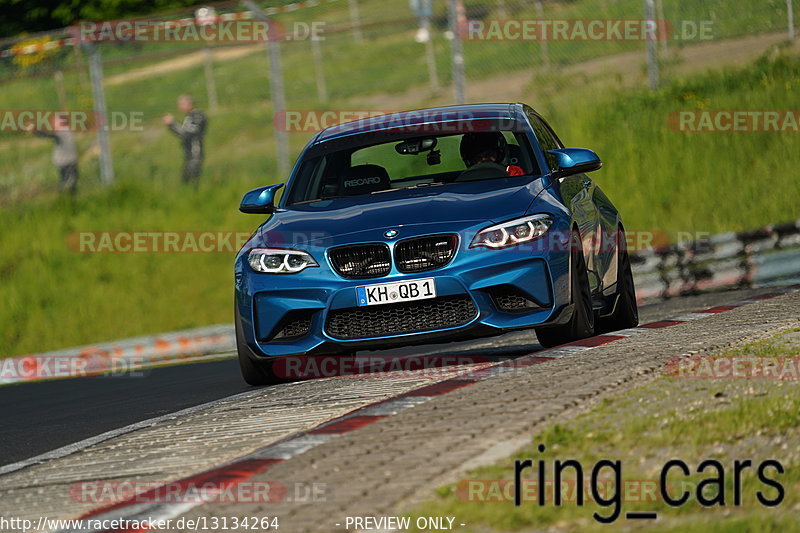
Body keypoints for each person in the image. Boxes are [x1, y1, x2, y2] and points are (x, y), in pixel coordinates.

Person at [26, 114, 79, 195]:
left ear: (60, 123)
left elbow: (48, 136)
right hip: (71, 161)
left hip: (66, 162)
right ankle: (70, 199)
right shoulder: (67, 130)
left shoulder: (63, 132)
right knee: (71, 183)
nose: (53, 123)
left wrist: (34, 130)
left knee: (66, 183)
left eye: (54, 122)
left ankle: (65, 199)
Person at [163, 94, 207, 184]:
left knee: (192, 182)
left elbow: (186, 134)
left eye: (181, 104)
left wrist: (172, 124)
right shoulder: (190, 116)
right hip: (188, 154)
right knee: (185, 182)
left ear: (189, 104)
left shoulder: (197, 116)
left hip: (195, 154)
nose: (179, 107)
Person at [457, 131, 524, 182]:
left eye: (488, 155)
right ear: (470, 161)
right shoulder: (463, 180)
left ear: (500, 154)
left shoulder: (513, 173)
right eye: (478, 157)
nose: (484, 159)